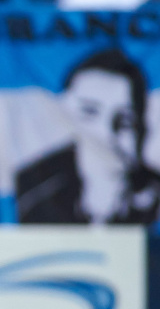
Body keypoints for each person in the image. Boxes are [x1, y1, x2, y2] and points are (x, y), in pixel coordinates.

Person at [15, 49, 160, 224]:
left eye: (124, 121)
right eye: (89, 112)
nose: (105, 132)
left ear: (143, 128)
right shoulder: (32, 194)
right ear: (64, 118)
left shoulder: (153, 193)